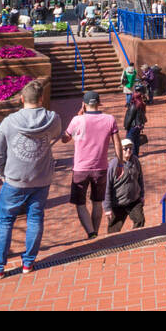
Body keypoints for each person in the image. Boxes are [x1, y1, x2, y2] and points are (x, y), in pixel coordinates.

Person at [0, 78, 64, 278]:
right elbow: (55, 135)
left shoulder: (9, 122)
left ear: (21, 99)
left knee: (5, 221)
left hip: (15, 180)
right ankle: (28, 263)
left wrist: (3, 174)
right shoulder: (53, 119)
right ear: (41, 98)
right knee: (35, 218)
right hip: (42, 178)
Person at [61, 91, 123, 239]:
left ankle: (91, 233)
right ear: (99, 103)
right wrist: (120, 163)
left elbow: (64, 139)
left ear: (84, 104)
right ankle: (95, 232)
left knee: (80, 203)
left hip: (81, 169)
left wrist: (77, 117)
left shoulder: (77, 120)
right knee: (97, 202)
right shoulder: (110, 119)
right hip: (101, 168)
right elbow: (117, 143)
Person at [103, 138, 145, 233]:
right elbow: (107, 187)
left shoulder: (135, 161)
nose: (128, 150)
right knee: (113, 230)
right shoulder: (113, 165)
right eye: (125, 148)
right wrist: (107, 208)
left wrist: (142, 195)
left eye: (130, 148)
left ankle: (136, 240)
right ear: (119, 150)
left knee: (140, 221)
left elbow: (140, 179)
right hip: (118, 203)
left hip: (134, 201)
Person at [123, 89, 147, 153]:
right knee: (136, 141)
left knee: (130, 142)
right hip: (138, 126)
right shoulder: (142, 104)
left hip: (133, 126)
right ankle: (136, 154)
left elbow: (129, 118)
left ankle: (132, 156)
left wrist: (126, 126)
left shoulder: (133, 106)